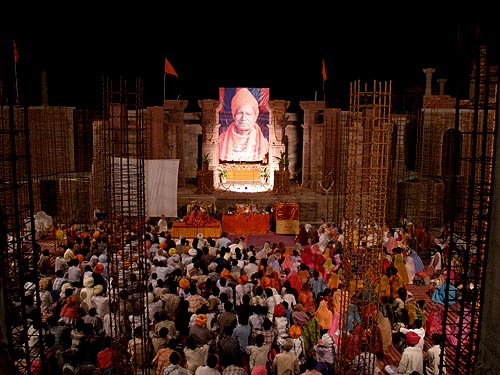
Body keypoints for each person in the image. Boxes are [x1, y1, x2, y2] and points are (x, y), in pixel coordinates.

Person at [219, 88, 269, 162]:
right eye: (240, 113)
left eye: (248, 114)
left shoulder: (264, 144)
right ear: (234, 115)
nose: (244, 118)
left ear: (255, 117)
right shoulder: (221, 141)